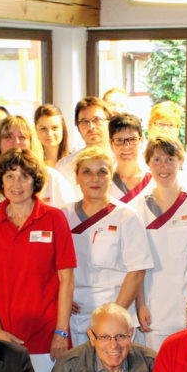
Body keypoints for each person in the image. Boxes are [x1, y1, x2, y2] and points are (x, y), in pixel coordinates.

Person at [0, 148, 77, 372]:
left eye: (24, 176)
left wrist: (61, 332)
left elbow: (67, 280)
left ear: (35, 181)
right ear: (0, 181)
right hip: (6, 337)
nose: (17, 184)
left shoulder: (54, 219)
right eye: (10, 176)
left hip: (47, 336)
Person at [63, 146, 152, 346]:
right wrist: (61, 303)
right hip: (75, 315)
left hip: (115, 310)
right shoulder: (63, 216)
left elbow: (137, 271)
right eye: (87, 172)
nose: (95, 179)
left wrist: (113, 316)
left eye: (102, 172)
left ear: (111, 176)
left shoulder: (126, 216)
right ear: (77, 177)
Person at [130, 136, 187, 350]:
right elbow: (135, 264)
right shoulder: (135, 208)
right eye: (156, 160)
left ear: (181, 161)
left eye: (170, 159)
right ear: (147, 164)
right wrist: (140, 305)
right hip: (153, 310)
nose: (163, 167)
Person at [0, 115, 75, 208]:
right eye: (8, 137)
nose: (16, 142)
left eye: (22, 137)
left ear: (31, 142)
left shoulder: (52, 178)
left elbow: (68, 218)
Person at [55, 96, 112, 190]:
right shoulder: (65, 166)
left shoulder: (121, 162)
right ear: (78, 126)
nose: (91, 126)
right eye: (85, 122)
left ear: (109, 122)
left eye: (97, 120)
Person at [108, 113, 153, 203]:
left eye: (132, 139)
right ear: (111, 144)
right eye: (119, 140)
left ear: (142, 141)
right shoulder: (103, 182)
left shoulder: (154, 181)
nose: (126, 146)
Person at [34, 103, 70, 168]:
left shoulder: (74, 162)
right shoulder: (31, 165)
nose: (49, 134)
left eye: (54, 128)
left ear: (63, 129)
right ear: (35, 131)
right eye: (43, 128)